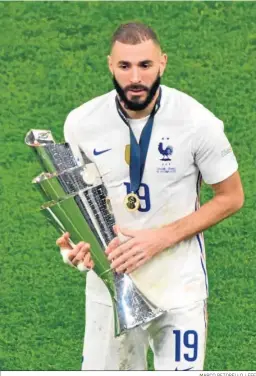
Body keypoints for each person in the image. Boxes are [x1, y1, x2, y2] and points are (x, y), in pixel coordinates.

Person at [56, 22, 244, 370]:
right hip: (109, 293)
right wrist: (77, 246)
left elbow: (231, 196)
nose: (135, 77)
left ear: (163, 63)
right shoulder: (80, 123)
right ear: (110, 65)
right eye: (125, 66)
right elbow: (81, 204)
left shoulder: (197, 122)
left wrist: (158, 239)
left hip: (179, 291)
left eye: (145, 65)